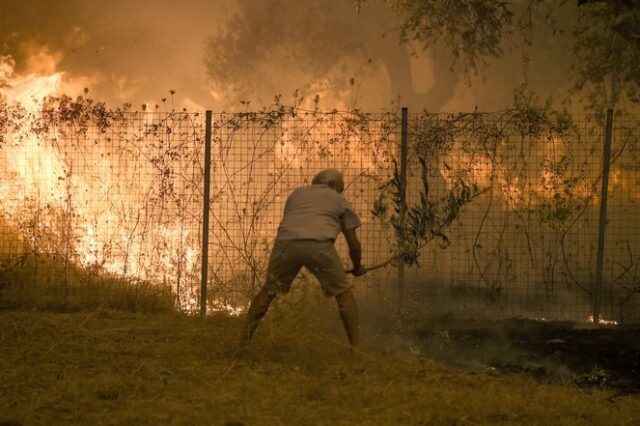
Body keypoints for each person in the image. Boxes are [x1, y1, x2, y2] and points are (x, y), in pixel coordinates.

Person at [241, 168, 366, 347]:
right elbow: (354, 245)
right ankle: (356, 347)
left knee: (269, 290)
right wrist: (357, 267)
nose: (341, 192)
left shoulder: (296, 195)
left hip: (285, 243)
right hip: (319, 244)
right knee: (343, 293)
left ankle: (243, 341)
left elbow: (297, 221)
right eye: (341, 188)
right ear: (332, 185)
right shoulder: (339, 200)